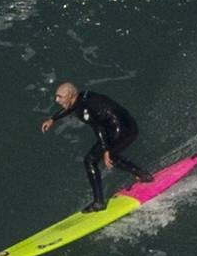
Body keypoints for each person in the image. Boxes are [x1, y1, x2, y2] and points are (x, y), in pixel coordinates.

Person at [40, 82, 155, 212]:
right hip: (129, 125)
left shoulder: (84, 110)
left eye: (60, 97)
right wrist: (53, 119)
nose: (57, 100)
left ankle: (98, 203)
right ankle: (142, 174)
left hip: (121, 130)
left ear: (71, 95)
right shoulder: (81, 97)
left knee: (91, 160)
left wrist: (106, 150)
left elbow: (99, 128)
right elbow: (70, 108)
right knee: (111, 156)